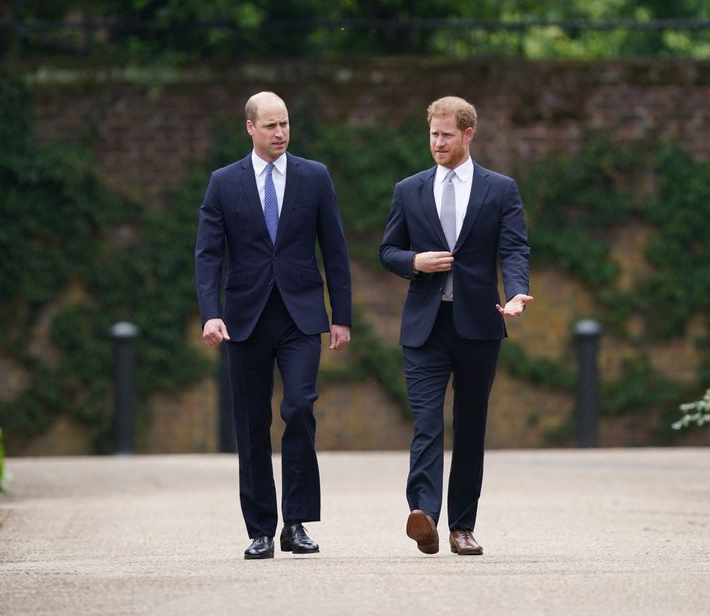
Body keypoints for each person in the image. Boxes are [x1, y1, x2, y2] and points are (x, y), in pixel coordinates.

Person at [195, 91, 352, 560]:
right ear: (250, 128)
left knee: (300, 408)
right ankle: (261, 528)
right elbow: (208, 254)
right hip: (244, 317)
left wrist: (341, 315)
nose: (280, 133)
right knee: (250, 422)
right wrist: (210, 313)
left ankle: (297, 523)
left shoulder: (314, 176)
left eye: (285, 124)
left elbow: (335, 249)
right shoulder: (223, 183)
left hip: (300, 315)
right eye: (270, 126)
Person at [380, 96, 533, 556]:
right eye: (433, 134)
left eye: (446, 135)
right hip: (424, 327)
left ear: (468, 134)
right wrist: (415, 261)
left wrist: (518, 292)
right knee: (426, 422)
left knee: (470, 426)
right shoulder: (409, 189)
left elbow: (514, 249)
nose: (438, 143)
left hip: (478, 325)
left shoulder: (500, 189)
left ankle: (462, 526)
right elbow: (387, 251)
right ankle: (424, 515)